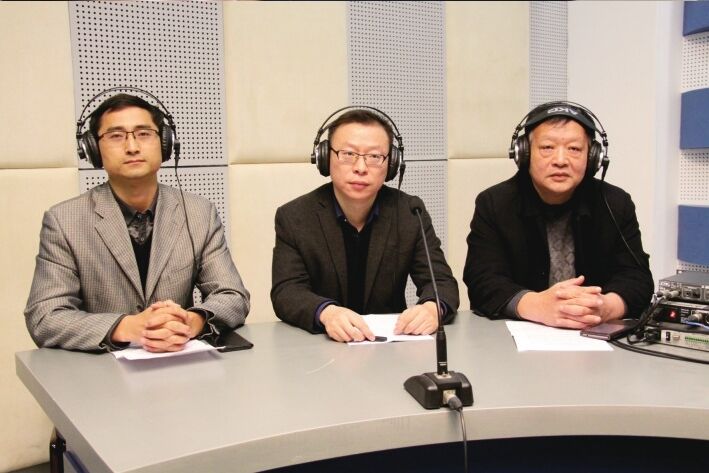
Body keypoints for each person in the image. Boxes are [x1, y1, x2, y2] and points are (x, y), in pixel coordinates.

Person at [25, 91, 250, 352]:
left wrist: (192, 321)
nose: (132, 147)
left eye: (144, 134)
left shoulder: (199, 213)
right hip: (100, 368)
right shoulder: (64, 221)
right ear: (93, 150)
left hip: (180, 359)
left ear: (165, 143)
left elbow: (233, 296)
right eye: (116, 136)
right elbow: (44, 316)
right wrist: (128, 327)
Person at [271, 107, 458, 342]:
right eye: (348, 154)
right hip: (319, 348)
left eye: (374, 157)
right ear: (324, 157)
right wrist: (327, 313)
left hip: (390, 347)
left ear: (392, 164)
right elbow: (286, 291)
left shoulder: (409, 212)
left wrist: (432, 308)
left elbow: (441, 282)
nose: (360, 167)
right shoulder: (295, 217)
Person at [463, 101, 653, 329]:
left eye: (574, 149)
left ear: (593, 156)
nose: (560, 160)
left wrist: (604, 307)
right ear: (524, 153)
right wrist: (536, 305)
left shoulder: (615, 203)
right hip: (515, 335)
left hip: (593, 333)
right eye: (547, 147)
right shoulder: (494, 203)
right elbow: (482, 280)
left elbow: (637, 278)